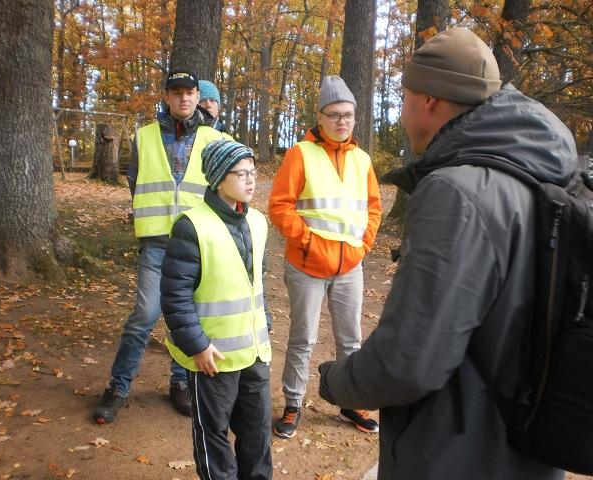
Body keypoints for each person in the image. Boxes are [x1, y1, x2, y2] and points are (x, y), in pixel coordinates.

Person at [318, 28, 574, 480]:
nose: (402, 113)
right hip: (527, 446)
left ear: (430, 100)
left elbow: (406, 364)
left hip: (456, 451)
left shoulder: (455, 193)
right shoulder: (543, 175)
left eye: (405, 98)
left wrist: (335, 380)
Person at [93, 69, 229, 424]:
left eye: (190, 92)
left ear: (198, 97)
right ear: (166, 97)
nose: (184, 98)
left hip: (195, 245)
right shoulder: (145, 136)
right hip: (155, 245)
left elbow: (221, 190)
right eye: (177, 92)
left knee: (186, 318)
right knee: (143, 316)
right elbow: (136, 181)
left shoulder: (215, 138)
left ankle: (180, 383)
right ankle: (118, 387)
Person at [269, 75, 382, 438]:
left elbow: (373, 208)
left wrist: (363, 246)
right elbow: (280, 206)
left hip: (350, 266)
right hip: (306, 265)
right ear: (320, 117)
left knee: (351, 339)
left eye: (347, 114)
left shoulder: (362, 159)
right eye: (334, 114)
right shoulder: (300, 154)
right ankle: (293, 404)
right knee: (303, 338)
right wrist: (307, 243)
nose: (341, 121)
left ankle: (351, 402)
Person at [161, 139, 273, 480]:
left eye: (253, 173)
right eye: (240, 174)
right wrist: (197, 345)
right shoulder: (191, 226)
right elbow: (175, 295)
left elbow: (255, 283)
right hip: (213, 357)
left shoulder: (258, 221)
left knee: (257, 434)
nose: (250, 180)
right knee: (214, 437)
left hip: (254, 353)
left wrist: (265, 323)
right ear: (219, 178)